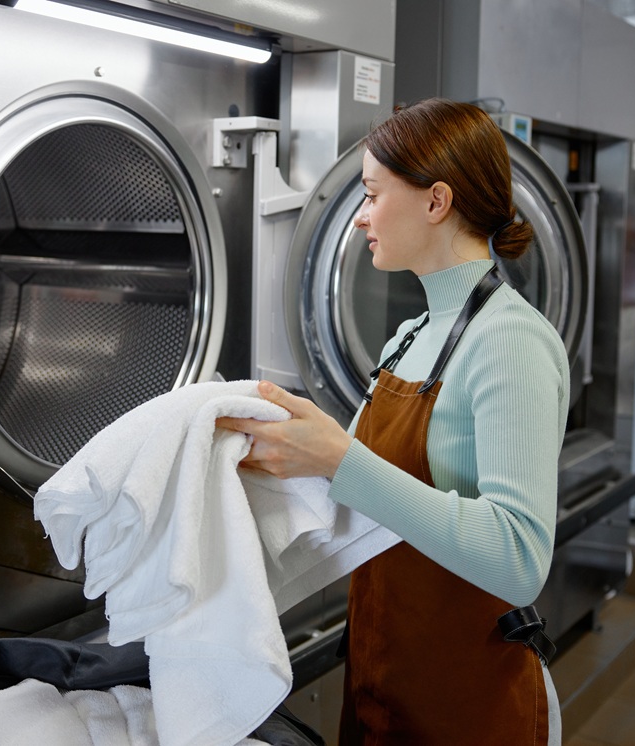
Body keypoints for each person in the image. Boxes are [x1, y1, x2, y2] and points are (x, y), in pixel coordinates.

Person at [218, 98, 569, 745]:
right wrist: (268, 445)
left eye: (374, 195)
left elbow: (519, 558)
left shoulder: (511, 340)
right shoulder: (407, 339)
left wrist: (338, 458)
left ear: (436, 202)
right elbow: (361, 496)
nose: (358, 218)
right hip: (385, 684)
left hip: (469, 705)